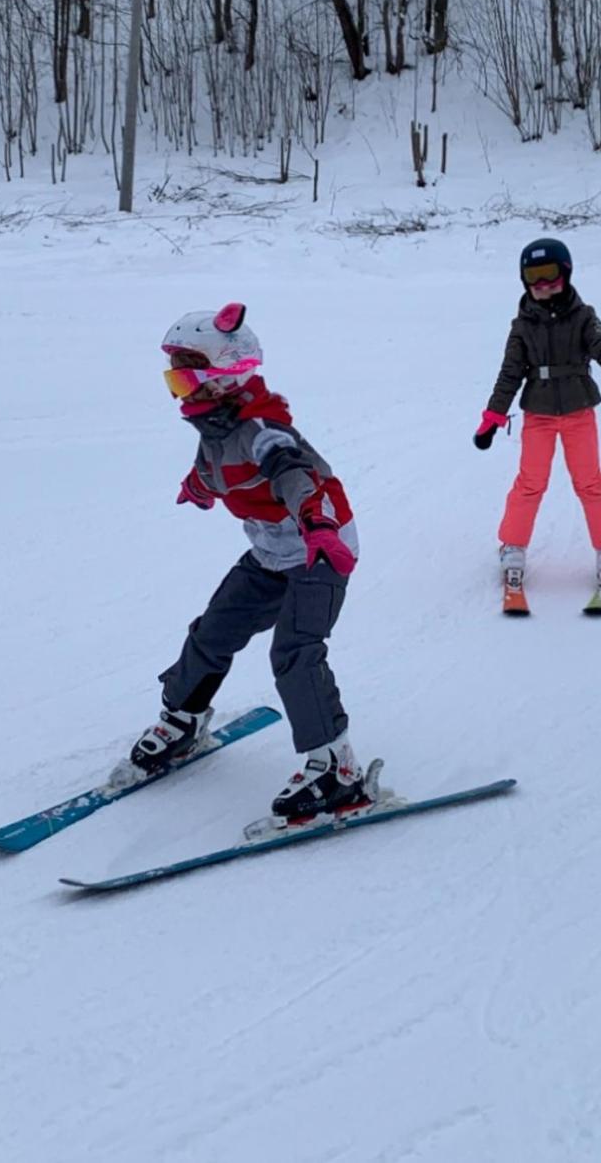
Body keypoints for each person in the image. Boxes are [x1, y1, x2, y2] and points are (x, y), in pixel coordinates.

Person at [122, 302, 365, 822]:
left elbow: (294, 473)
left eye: (186, 379)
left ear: (224, 376)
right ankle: (183, 720)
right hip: (272, 552)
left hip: (320, 545)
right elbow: (213, 465)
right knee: (213, 631)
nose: (179, 392)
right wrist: (197, 486)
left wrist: (316, 523)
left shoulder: (264, 430)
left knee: (296, 649)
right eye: (174, 380)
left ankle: (336, 768)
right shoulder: (214, 429)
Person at [473, 238, 601, 588]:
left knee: (589, 481)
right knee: (530, 482)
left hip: (579, 411)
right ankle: (513, 546)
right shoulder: (521, 327)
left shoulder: (583, 318)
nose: (542, 284)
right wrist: (493, 417)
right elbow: (509, 375)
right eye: (533, 276)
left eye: (549, 274)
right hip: (538, 415)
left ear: (565, 274)